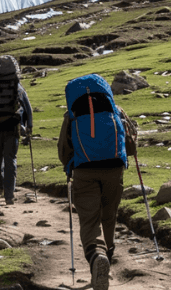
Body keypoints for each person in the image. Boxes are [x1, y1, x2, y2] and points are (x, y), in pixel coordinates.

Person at [57, 73, 128, 290]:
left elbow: (63, 148)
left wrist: (69, 165)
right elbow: (130, 140)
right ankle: (107, 256)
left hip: (84, 169)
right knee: (109, 215)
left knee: (89, 219)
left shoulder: (72, 115)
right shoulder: (115, 110)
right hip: (114, 168)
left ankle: (97, 257)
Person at [0, 55, 33, 206]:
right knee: (10, 158)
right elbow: (26, 105)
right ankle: (9, 195)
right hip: (11, 125)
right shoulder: (16, 84)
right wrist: (29, 126)